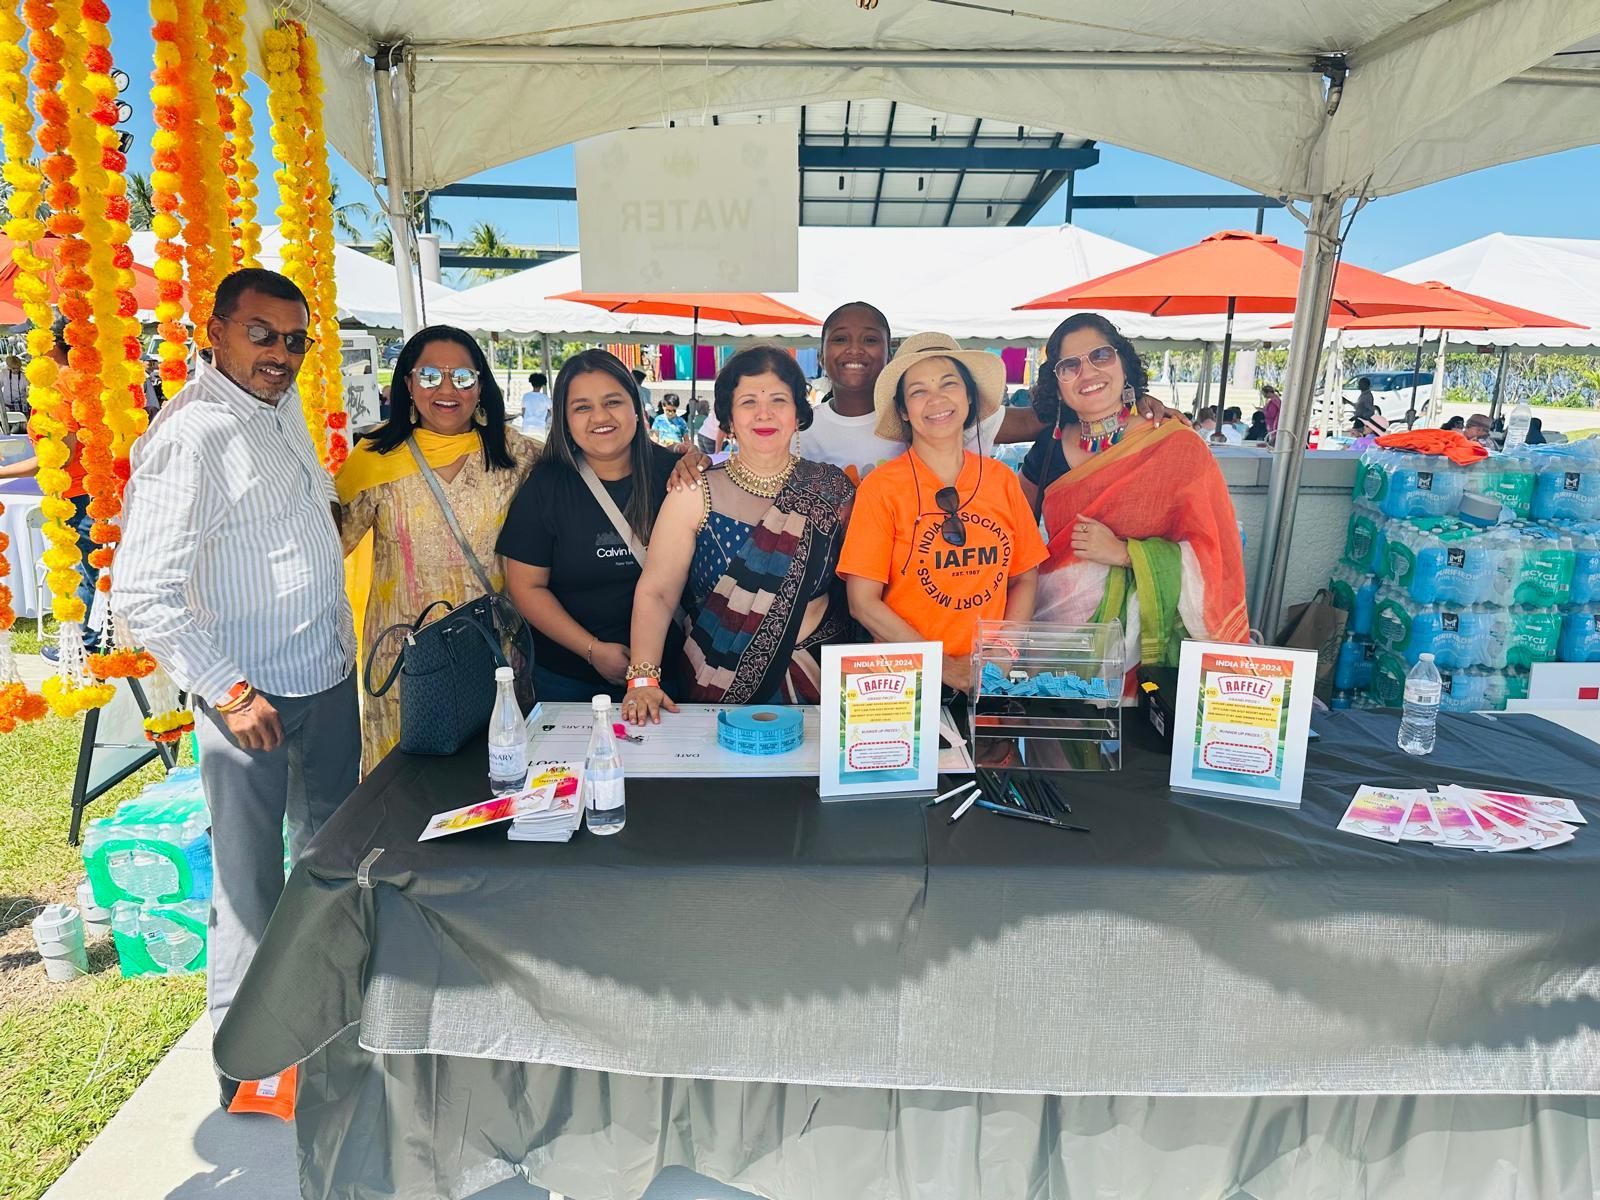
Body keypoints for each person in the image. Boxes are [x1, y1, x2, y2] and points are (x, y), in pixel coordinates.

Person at [114, 268, 359, 1102]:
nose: (280, 355)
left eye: (295, 340)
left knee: (328, 857)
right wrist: (228, 690)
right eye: (261, 334)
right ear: (213, 331)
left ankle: (324, 1026)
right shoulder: (192, 435)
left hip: (325, 672)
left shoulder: (277, 405)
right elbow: (140, 593)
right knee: (249, 885)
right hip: (250, 695)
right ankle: (252, 1068)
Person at [336, 325, 538, 772]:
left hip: (493, 650)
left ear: (481, 385)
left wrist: (681, 462)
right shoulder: (374, 457)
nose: (447, 390)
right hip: (405, 656)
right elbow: (325, 547)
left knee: (494, 776)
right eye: (429, 376)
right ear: (407, 383)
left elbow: (588, 481)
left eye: (462, 378)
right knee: (405, 783)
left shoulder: (518, 455)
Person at [624, 345, 854, 723]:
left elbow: (859, 589)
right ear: (727, 418)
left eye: (779, 400)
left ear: (798, 414)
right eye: (748, 401)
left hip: (821, 689)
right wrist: (643, 678)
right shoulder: (695, 491)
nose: (764, 413)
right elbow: (658, 591)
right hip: (715, 685)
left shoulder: (831, 489)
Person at [1032, 313, 1249, 681]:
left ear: (1123, 363)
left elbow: (1217, 557)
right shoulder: (1047, 450)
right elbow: (1014, 542)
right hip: (1057, 645)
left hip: (1149, 659)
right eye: (1069, 366)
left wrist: (1124, 553)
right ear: (1056, 384)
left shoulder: (1177, 445)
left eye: (1100, 356)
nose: (1087, 373)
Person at [839, 332, 1047, 694]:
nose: (936, 399)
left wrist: (999, 659)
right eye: (918, 391)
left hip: (988, 683)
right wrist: (945, 667)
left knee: (991, 754)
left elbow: (1025, 578)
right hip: (900, 683)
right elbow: (862, 603)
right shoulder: (882, 488)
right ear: (903, 410)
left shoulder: (1002, 481)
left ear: (968, 396)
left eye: (948, 384)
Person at [500, 350, 679, 702]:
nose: (600, 416)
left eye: (613, 401)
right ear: (564, 419)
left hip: (668, 675)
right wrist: (592, 650)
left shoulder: (675, 474)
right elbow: (526, 588)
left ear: (636, 407)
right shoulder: (546, 485)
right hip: (567, 678)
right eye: (582, 407)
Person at [0, 316, 101, 660]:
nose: (28, 344)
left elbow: (59, 454)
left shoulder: (57, 386)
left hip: (75, 494)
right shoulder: (83, 378)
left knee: (86, 572)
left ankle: (83, 644)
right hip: (94, 486)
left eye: (32, 336)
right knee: (93, 569)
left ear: (52, 343)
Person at [519, 371, 551, 437]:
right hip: (540, 426)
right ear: (542, 385)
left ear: (532, 384)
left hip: (527, 425)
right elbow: (551, 412)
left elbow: (523, 412)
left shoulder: (526, 396)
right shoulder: (545, 398)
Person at [0, 353, 27, 428]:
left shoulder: (23, 376)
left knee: (22, 423)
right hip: (7, 403)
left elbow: (27, 389)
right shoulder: (4, 374)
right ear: (9, 367)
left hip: (21, 404)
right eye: (13, 368)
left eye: (18, 368)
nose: (16, 370)